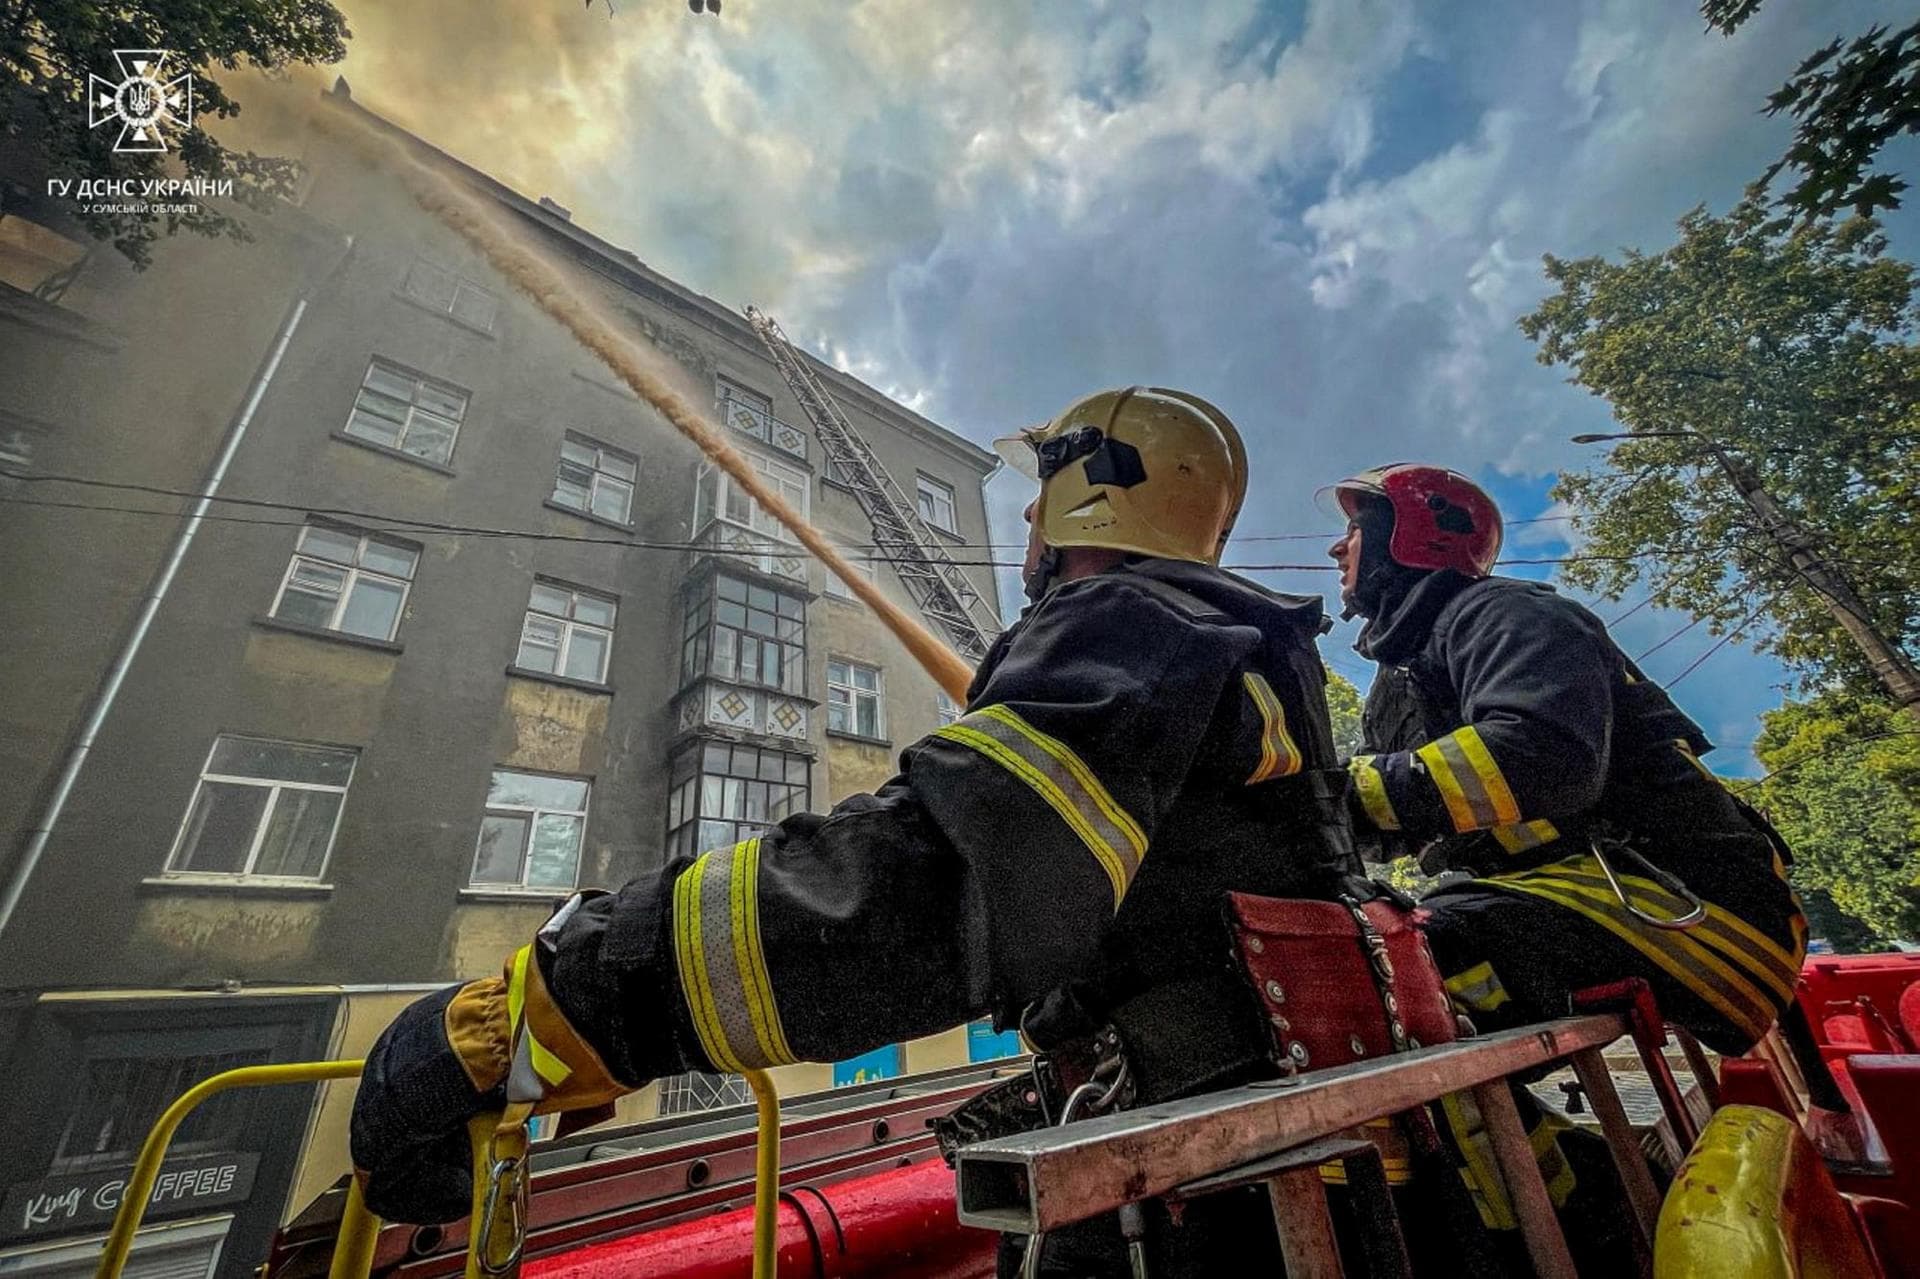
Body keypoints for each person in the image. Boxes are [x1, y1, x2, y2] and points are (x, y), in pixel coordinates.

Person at [352, 387, 1366, 1274]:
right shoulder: (1226, 653)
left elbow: (932, 883)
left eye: (1041, 491)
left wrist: (567, 1000)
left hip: (1199, 1194)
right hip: (1246, 1143)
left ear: (1088, 490)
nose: (1025, 517)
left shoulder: (1130, 628)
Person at [1325, 462, 1808, 1240]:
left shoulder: (1504, 614)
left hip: (1702, 914)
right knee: (1354, 957)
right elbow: (1387, 818)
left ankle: (1549, 1242)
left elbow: (1541, 754)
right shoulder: (1405, 684)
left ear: (1409, 532)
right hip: (1591, 902)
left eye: (1354, 528)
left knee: (1399, 969)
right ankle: (1599, 1202)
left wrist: (1334, 796)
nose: (1336, 548)